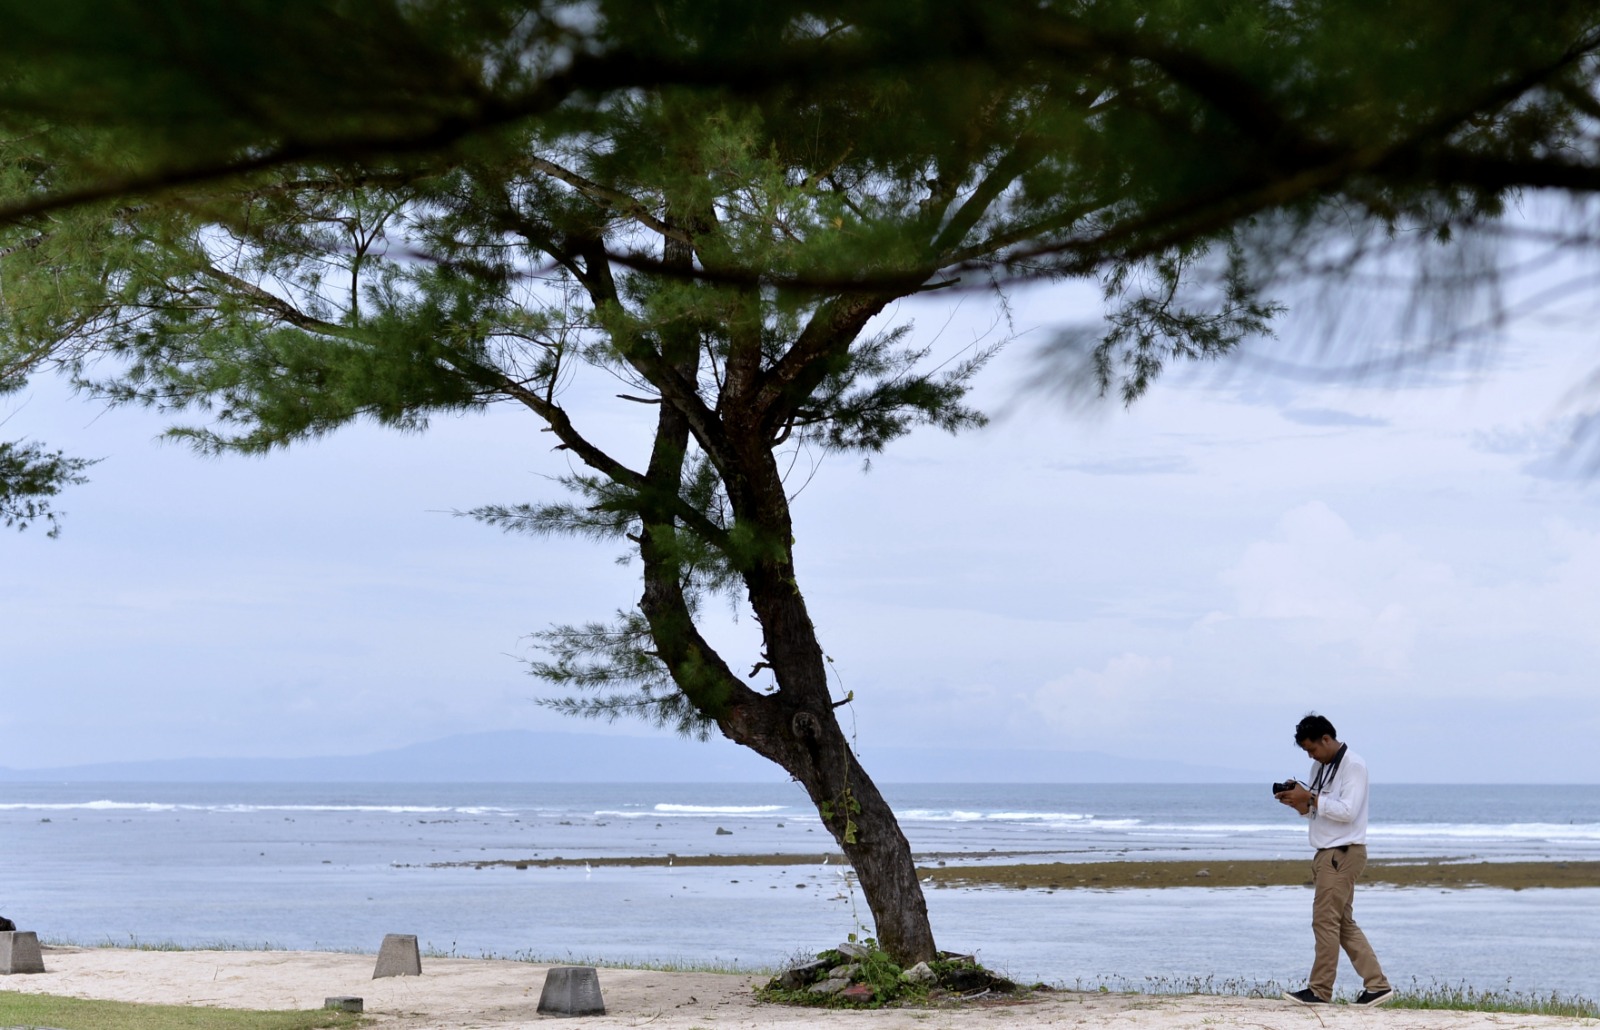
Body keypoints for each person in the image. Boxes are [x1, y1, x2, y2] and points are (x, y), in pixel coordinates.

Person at [1275, 713, 1393, 1006]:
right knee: (1341, 923)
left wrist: (1312, 798)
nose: (1310, 754)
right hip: (1327, 852)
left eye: (1311, 748)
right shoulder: (1320, 766)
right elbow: (1317, 811)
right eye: (1305, 751)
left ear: (1326, 739)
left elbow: (1348, 811)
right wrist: (1298, 802)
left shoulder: (1354, 765)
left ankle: (1319, 991)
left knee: (1324, 922)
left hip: (1342, 853)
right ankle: (1377, 985)